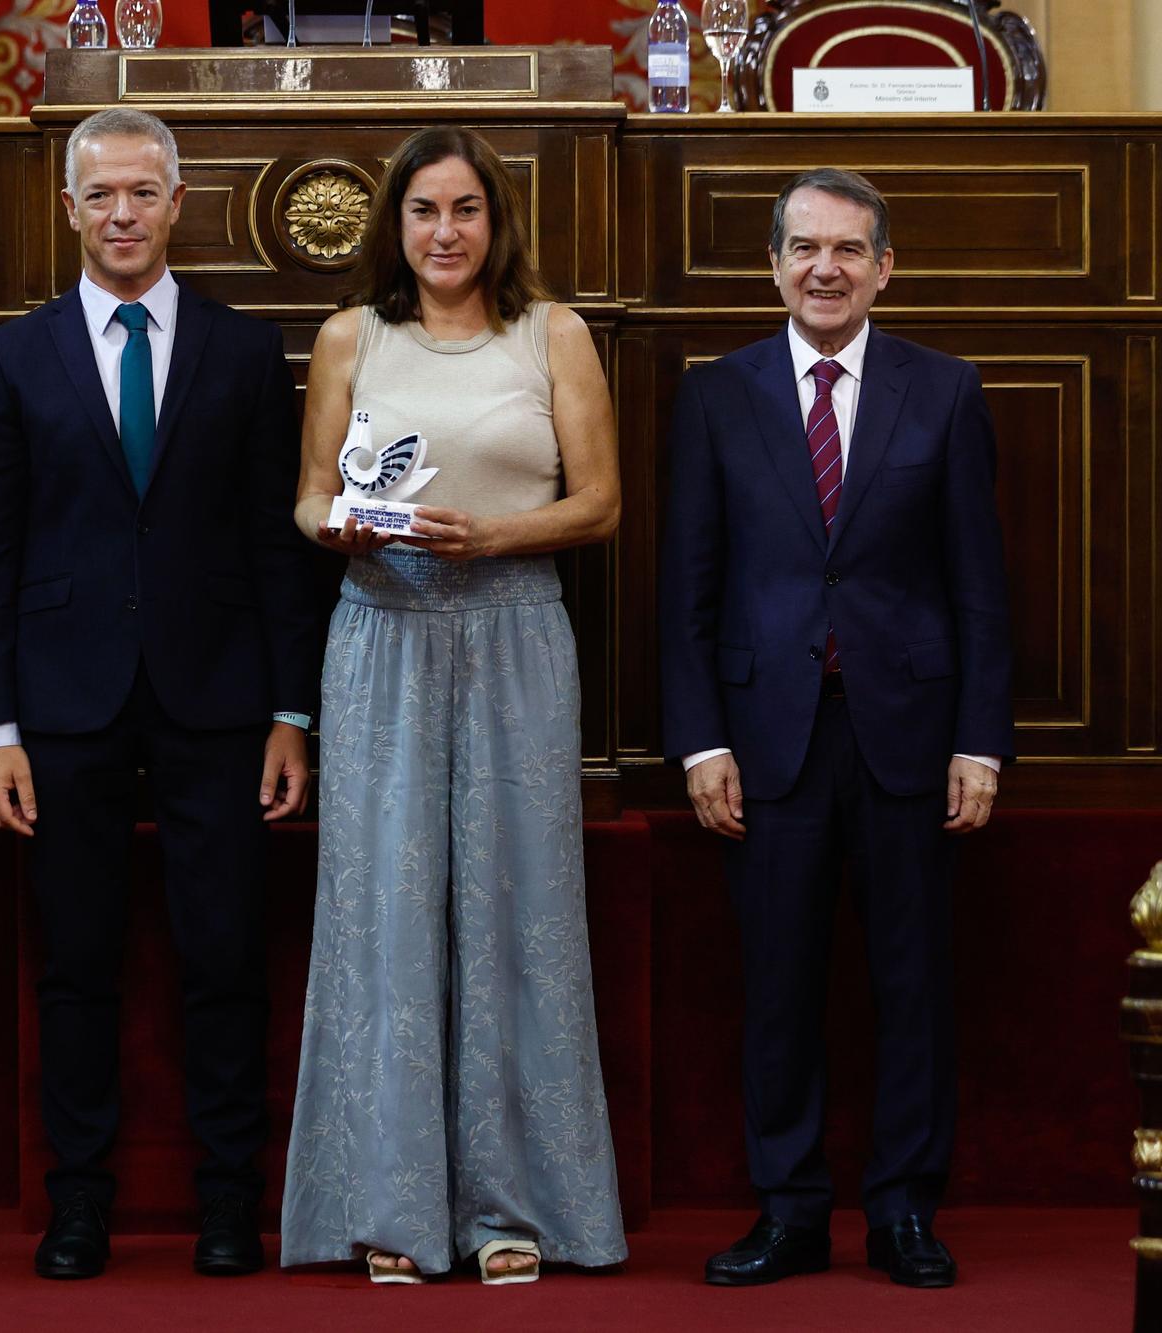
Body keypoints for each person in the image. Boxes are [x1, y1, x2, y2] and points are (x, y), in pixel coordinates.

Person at [0, 107, 319, 1280]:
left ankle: (227, 1205)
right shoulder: (13, 354)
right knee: (77, 964)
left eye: (142, 193)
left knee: (223, 958)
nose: (121, 213)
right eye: (99, 194)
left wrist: (290, 712)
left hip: (217, 703)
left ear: (177, 205)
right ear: (68, 209)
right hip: (61, 711)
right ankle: (79, 1205)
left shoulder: (245, 350)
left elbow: (277, 545)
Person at [280, 126, 627, 1285]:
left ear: (495, 221)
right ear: (395, 225)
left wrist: (493, 535)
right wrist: (346, 526)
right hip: (378, 633)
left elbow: (600, 506)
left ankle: (510, 1207)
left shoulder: (553, 332)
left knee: (514, 912)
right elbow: (308, 502)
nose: (444, 232)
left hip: (517, 630)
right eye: (424, 210)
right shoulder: (348, 337)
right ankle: (389, 1205)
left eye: (465, 209)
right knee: (382, 915)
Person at [659, 168, 1013, 1289]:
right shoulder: (717, 394)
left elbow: (978, 586)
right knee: (777, 984)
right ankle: (789, 1211)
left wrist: (979, 738)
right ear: (771, 264)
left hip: (909, 735)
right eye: (803, 247)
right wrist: (699, 740)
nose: (824, 267)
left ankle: (904, 1210)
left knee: (911, 984)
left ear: (882, 268)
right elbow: (688, 589)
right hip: (765, 745)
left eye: (847, 250)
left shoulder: (944, 390)